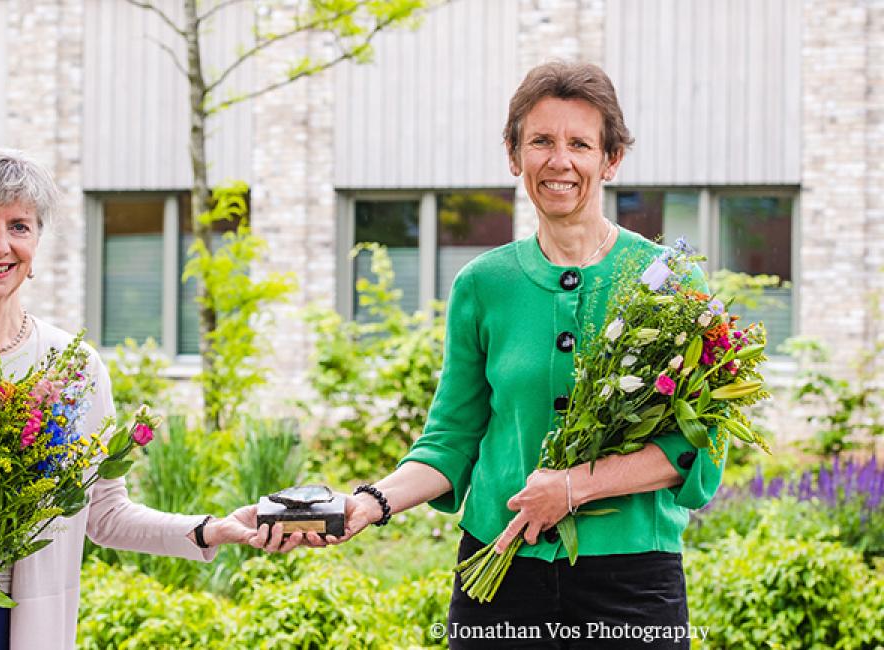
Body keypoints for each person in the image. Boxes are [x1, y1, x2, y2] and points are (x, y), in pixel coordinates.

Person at [0, 146, 302, 650]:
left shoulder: (75, 368)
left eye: (19, 226)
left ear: (37, 241)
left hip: (28, 629)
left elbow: (104, 514)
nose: (0, 245)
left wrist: (211, 530)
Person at [309, 62, 724, 649]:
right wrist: (370, 503)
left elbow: (698, 446)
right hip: (499, 574)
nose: (560, 161)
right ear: (514, 155)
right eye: (541, 142)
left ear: (611, 160)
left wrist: (573, 487)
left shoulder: (669, 284)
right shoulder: (483, 285)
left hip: (631, 582)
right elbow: (450, 439)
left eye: (580, 143)